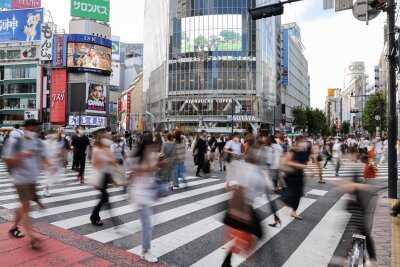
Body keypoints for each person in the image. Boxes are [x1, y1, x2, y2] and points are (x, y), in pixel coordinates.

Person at [3, 119, 49, 249]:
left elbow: (44, 157)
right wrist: (21, 155)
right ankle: (32, 237)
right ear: (24, 129)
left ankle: (13, 228)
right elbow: (8, 161)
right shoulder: (17, 143)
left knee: (23, 206)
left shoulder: (38, 142)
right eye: (29, 129)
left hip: (32, 179)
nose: (32, 131)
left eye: (34, 129)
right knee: (26, 206)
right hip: (20, 179)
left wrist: (48, 165)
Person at [130, 133, 159, 263]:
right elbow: (144, 170)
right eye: (151, 146)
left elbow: (151, 173)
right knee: (147, 225)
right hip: (139, 195)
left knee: (149, 224)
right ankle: (145, 251)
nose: (153, 149)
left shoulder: (148, 156)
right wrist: (156, 161)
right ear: (146, 146)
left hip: (147, 194)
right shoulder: (138, 158)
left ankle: (143, 245)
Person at [89, 133, 120, 227]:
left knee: (104, 198)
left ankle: (95, 216)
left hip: (106, 177)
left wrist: (113, 179)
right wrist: (108, 160)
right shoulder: (97, 150)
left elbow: (111, 165)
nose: (109, 140)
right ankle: (95, 217)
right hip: (99, 176)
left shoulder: (107, 150)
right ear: (101, 139)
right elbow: (95, 163)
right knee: (105, 197)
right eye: (107, 138)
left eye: (110, 138)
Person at [278, 135, 310, 220]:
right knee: (292, 192)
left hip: (299, 175)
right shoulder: (292, 151)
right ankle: (284, 200)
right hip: (291, 175)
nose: (303, 143)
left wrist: (305, 173)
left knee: (299, 194)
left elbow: (305, 163)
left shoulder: (305, 151)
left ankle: (293, 211)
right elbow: (286, 162)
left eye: (304, 141)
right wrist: (299, 165)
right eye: (302, 141)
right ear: (297, 142)